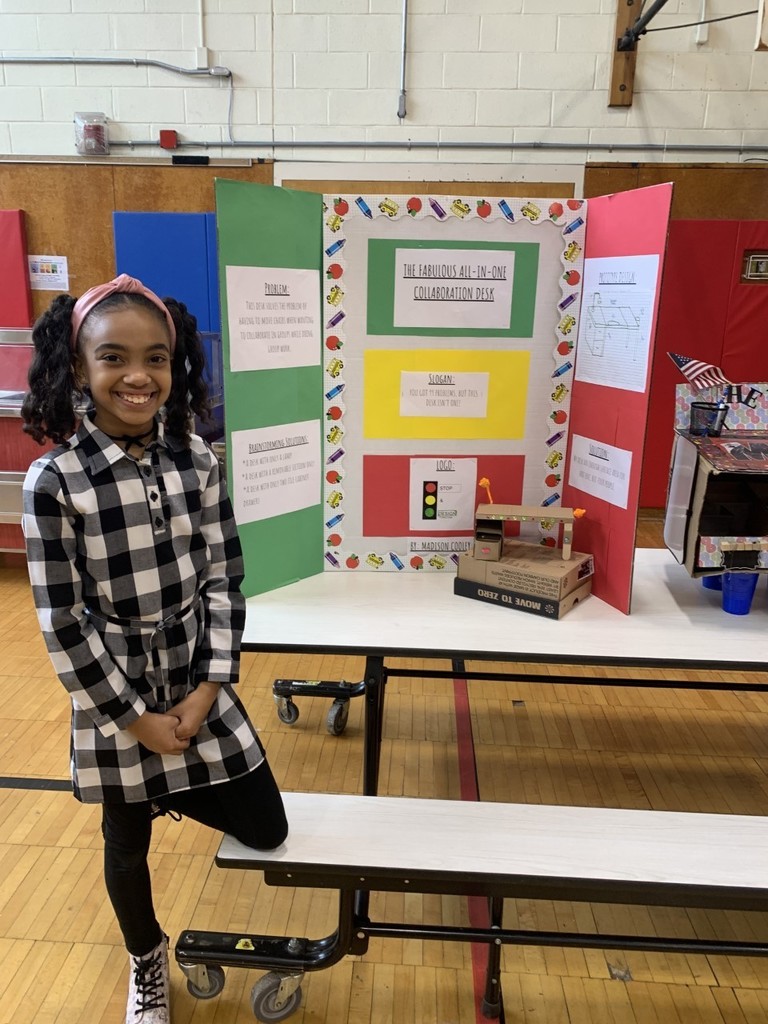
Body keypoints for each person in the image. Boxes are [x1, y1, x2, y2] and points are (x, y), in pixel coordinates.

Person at [21, 275, 288, 1024]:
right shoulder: (54, 482)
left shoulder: (196, 460)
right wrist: (136, 722)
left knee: (268, 826)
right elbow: (64, 624)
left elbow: (226, 580)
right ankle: (146, 960)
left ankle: (166, 784)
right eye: (114, 357)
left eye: (157, 359)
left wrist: (206, 692)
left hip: (195, 678)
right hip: (115, 695)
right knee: (124, 840)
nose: (139, 376)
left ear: (178, 367)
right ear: (77, 368)